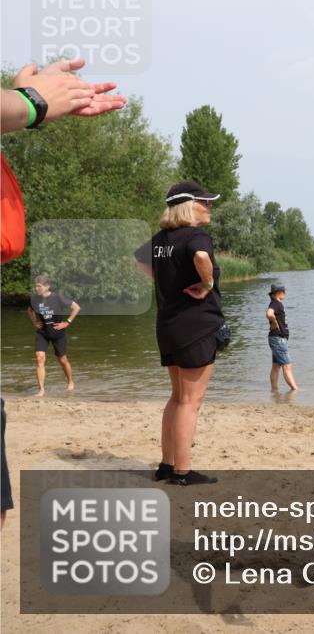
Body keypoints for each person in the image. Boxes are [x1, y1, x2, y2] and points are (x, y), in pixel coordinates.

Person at [1, 58, 125, 527]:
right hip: (44, 331)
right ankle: (49, 386)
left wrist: (21, 106)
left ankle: (67, 385)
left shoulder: (54, 297)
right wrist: (31, 103)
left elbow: (72, 305)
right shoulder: (37, 300)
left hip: (59, 330)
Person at [134, 181, 225, 486]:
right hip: (196, 326)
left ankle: (166, 464)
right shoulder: (197, 235)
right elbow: (201, 257)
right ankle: (183, 472)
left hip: (168, 326)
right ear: (189, 205)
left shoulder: (161, 238)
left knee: (177, 398)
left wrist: (165, 280)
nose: (210, 207)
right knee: (190, 402)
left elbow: (140, 260)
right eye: (205, 202)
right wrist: (208, 284)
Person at [27, 275, 80, 396]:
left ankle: (70, 382)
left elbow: (76, 308)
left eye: (39, 286)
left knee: (62, 359)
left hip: (57, 332)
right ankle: (41, 390)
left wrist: (67, 322)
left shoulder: (58, 297)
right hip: (43, 332)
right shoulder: (34, 299)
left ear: (47, 286)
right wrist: (34, 321)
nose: (37, 288)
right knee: (39, 358)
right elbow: (29, 310)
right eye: (36, 286)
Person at [266, 283, 298, 391]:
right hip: (278, 339)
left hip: (276, 338)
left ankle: (274, 390)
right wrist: (274, 321)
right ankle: (295, 389)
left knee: (276, 366)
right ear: (278, 293)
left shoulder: (276, 303)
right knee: (287, 366)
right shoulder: (276, 304)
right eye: (284, 291)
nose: (285, 293)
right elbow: (269, 313)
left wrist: (274, 322)